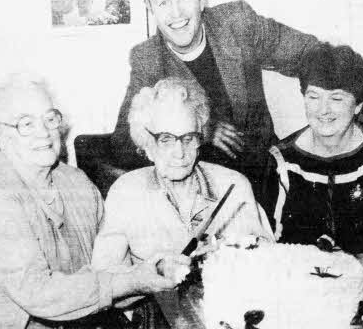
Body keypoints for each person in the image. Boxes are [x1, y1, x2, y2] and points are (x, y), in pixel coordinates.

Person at [111, 0, 363, 199]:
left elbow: (312, 54)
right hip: (201, 190)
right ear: (150, 9)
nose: (175, 13)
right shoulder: (148, 58)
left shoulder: (237, 23)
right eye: (162, 2)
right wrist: (201, 130)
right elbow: (124, 141)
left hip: (264, 175)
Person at [0, 74, 187, 329]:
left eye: (49, 119)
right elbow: (37, 293)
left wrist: (156, 269)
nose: (44, 132)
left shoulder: (76, 183)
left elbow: (105, 276)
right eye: (26, 124)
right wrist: (133, 281)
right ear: (0, 135)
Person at [94, 78, 274, 328]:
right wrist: (152, 274)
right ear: (147, 144)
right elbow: (104, 286)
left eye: (188, 138)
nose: (179, 152)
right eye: (166, 139)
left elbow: (268, 267)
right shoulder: (126, 193)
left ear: (200, 139)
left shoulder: (234, 186)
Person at [262, 44, 363, 298]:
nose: (323, 110)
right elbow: (265, 246)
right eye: (313, 96)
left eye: (336, 98)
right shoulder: (282, 160)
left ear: (358, 105)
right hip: (305, 297)